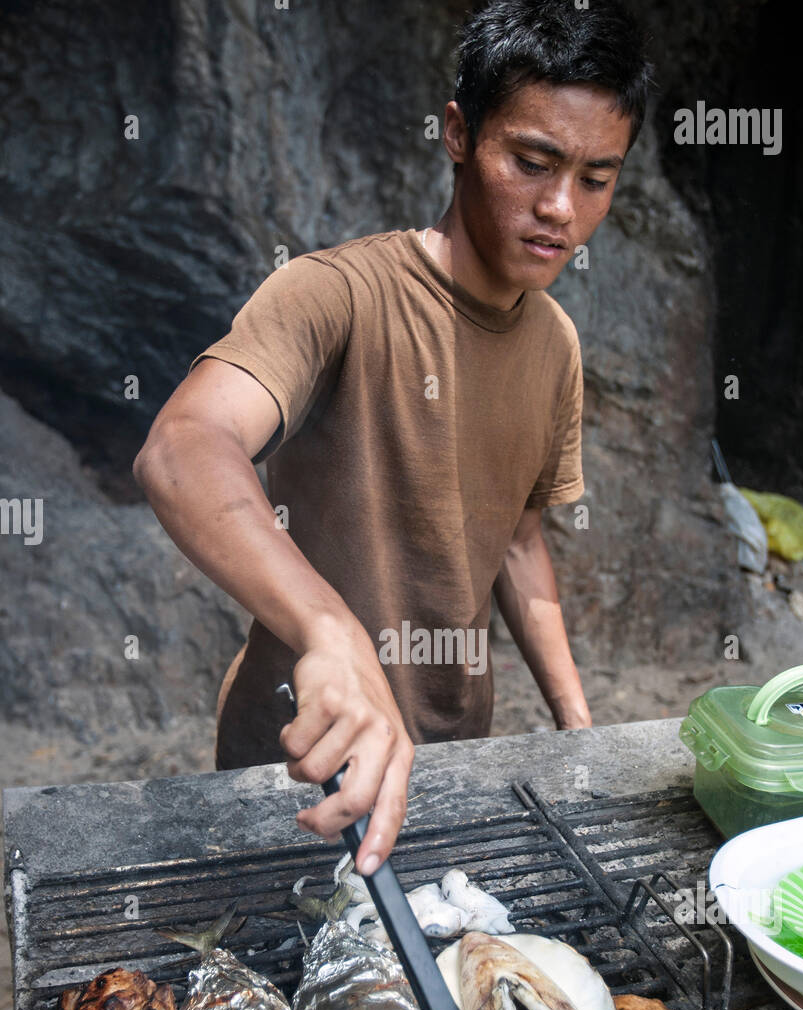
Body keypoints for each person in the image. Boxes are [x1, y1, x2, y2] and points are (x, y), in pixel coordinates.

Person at [133, 0, 652, 874]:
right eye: (533, 162)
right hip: (295, 766)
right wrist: (329, 628)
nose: (560, 207)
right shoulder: (333, 294)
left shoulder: (556, 345)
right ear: (458, 133)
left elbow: (519, 539)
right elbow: (182, 445)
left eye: (597, 179)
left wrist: (578, 729)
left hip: (451, 758)